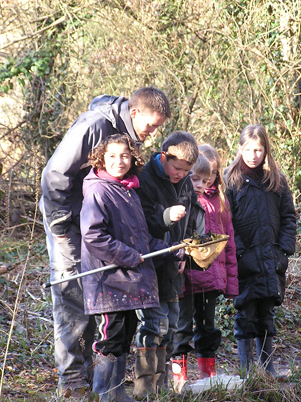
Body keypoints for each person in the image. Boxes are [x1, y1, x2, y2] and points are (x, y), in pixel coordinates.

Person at [39, 87, 170, 397]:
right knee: (73, 297)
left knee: (100, 304)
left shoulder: (126, 138)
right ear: (135, 113)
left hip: (96, 228)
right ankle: (73, 382)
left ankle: (97, 380)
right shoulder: (94, 126)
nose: (151, 134)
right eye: (150, 125)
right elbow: (55, 174)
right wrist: (61, 224)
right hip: (68, 224)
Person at [80, 135, 178, 402]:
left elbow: (142, 240)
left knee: (124, 337)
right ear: (101, 158)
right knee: (109, 340)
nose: (118, 161)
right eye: (111, 156)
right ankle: (102, 393)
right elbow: (93, 236)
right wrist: (129, 255)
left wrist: (175, 249)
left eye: (124, 155)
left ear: (133, 158)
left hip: (130, 283)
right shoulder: (98, 191)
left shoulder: (129, 191)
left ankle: (118, 394)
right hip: (108, 282)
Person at [225, 124, 296, 376]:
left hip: (272, 258)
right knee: (246, 312)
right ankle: (247, 371)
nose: (253, 155)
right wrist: (240, 253)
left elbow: (288, 217)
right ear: (240, 149)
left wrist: (284, 249)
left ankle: (268, 368)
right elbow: (227, 222)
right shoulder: (230, 180)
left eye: (259, 149)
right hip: (244, 260)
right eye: (249, 149)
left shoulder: (276, 180)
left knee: (266, 312)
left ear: (266, 150)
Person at [133, 131, 199, 397]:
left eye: (186, 171)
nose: (180, 174)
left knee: (172, 326)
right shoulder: (145, 178)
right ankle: (143, 390)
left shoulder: (185, 184)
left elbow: (191, 219)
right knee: (153, 326)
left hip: (175, 264)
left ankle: (160, 391)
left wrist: (187, 253)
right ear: (164, 157)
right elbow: (142, 223)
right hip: (150, 265)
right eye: (176, 168)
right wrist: (166, 217)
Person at [172, 146, 239, 381]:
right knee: (182, 328)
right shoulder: (182, 201)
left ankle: (207, 378)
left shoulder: (220, 201)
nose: (202, 183)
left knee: (207, 328)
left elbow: (228, 244)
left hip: (211, 278)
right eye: (197, 177)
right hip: (185, 277)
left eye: (208, 176)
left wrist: (231, 283)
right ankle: (179, 380)